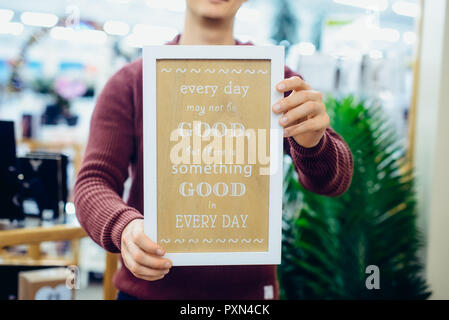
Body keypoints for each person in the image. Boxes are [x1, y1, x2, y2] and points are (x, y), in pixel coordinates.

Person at [74, 0, 353, 300]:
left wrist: (313, 143)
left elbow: (333, 180)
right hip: (150, 293)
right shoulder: (133, 82)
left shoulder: (273, 78)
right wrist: (124, 227)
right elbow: (92, 182)